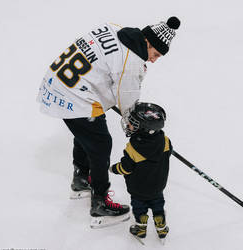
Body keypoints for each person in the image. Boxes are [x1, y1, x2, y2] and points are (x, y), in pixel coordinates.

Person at [36, 17, 180, 225]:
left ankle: (81, 179)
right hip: (74, 94)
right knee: (101, 143)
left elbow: (103, 64)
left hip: (58, 82)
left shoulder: (116, 29)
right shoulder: (132, 63)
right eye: (155, 54)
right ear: (147, 42)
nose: (154, 60)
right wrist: (136, 123)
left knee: (87, 132)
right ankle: (100, 203)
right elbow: (128, 104)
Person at [109, 102, 172, 241]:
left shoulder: (133, 148)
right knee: (158, 205)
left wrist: (113, 168)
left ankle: (140, 228)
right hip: (158, 186)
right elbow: (168, 154)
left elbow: (125, 168)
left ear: (143, 129)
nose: (128, 125)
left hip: (138, 189)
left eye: (133, 123)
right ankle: (161, 227)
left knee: (139, 208)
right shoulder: (166, 141)